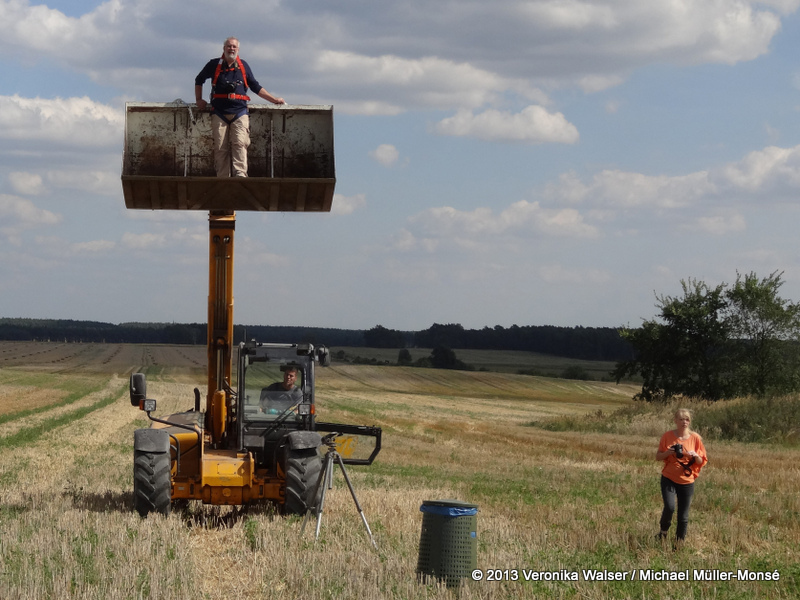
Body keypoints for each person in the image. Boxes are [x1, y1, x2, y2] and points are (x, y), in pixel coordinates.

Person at [195, 37, 286, 177]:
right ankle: (223, 178)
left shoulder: (243, 66)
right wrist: (198, 99)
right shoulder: (214, 65)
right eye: (229, 46)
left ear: (238, 49)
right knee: (220, 147)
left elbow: (255, 86)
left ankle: (240, 176)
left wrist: (274, 100)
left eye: (234, 47)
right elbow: (199, 79)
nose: (231, 49)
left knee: (240, 143)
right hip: (219, 112)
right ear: (224, 48)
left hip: (239, 112)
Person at [655, 407, 707, 545]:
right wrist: (669, 452)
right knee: (670, 507)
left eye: (687, 419)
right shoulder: (667, 436)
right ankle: (663, 532)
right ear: (675, 421)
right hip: (668, 477)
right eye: (681, 419)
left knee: (683, 515)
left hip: (687, 481)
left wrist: (695, 456)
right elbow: (658, 456)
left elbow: (702, 461)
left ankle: (679, 543)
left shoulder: (695, 438)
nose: (684, 422)